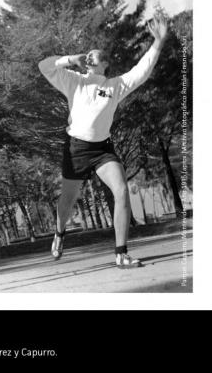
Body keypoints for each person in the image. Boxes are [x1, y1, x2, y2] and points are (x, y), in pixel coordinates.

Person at [38, 14, 168, 269]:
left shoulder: (115, 86)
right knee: (67, 201)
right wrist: (69, 60)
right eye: (87, 55)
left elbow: (141, 72)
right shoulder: (73, 81)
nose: (89, 55)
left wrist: (158, 43)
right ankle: (60, 231)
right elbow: (45, 66)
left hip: (102, 150)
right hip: (76, 148)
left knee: (121, 191)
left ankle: (121, 253)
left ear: (105, 64)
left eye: (95, 54)